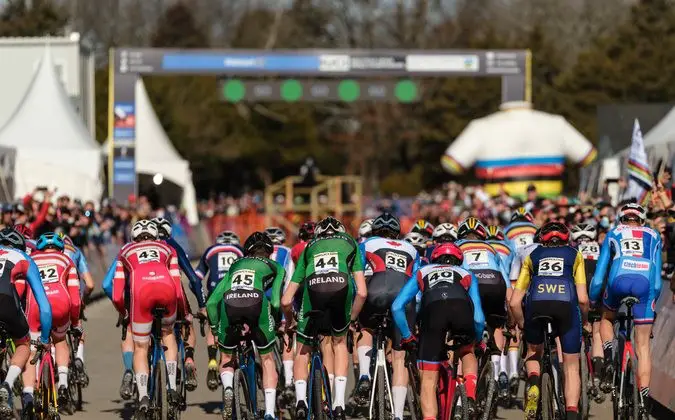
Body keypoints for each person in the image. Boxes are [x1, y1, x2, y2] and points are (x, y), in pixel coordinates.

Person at [281, 216, 367, 420]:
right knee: (339, 344)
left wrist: (291, 322)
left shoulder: (309, 247)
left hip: (314, 293)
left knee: (303, 349)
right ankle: (338, 404)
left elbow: (285, 300)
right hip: (341, 291)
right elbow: (362, 293)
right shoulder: (350, 243)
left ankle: (301, 401)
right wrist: (352, 320)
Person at [391, 243, 484, 419]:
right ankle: (470, 394)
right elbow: (478, 318)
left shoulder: (423, 271)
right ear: (459, 261)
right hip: (460, 308)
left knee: (427, 380)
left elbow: (397, 307)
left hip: (432, 310)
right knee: (466, 351)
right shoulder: (467, 274)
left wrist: (407, 336)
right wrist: (477, 341)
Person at [509, 221, 589, 420]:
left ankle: (534, 383)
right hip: (566, 306)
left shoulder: (532, 256)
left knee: (533, 353)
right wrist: (585, 320)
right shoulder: (575, 255)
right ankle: (571, 412)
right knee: (571, 366)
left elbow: (514, 302)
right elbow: (583, 299)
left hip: (536, 306)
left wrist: (521, 324)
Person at [107, 220, 188, 416]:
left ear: (134, 237)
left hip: (141, 294)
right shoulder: (167, 249)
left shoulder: (125, 251)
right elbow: (178, 286)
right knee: (168, 334)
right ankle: (171, 388)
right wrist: (183, 312)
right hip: (167, 291)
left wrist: (123, 312)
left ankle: (143, 395)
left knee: (141, 347)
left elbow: (117, 293)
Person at [589, 203, 662, 408]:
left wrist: (594, 301)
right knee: (643, 345)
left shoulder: (614, 233)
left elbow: (598, 277)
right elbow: (657, 282)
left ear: (621, 219)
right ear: (642, 220)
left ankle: (610, 355)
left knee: (607, 318)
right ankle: (644, 399)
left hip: (618, 280)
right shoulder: (655, 235)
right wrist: (652, 304)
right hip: (645, 284)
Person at [206, 232, 285, 420]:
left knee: (226, 356)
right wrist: (274, 323)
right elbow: (274, 302)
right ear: (269, 252)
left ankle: (227, 387)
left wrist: (216, 330)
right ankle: (269, 413)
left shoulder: (235, 266)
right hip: (257, 304)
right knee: (267, 360)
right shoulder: (275, 266)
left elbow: (211, 303)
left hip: (229, 304)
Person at [355, 212, 420, 420]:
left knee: (365, 327)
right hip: (404, 298)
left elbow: (355, 273)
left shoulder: (367, 243)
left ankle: (364, 374)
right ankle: (398, 414)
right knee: (400, 355)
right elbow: (418, 282)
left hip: (376, 292)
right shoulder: (412, 249)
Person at [455, 217, 512, 398]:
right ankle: (496, 368)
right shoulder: (491, 248)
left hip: (470, 283)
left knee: (463, 331)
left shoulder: (457, 246)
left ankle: (460, 378)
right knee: (495, 323)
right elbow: (507, 284)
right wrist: (510, 319)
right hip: (494, 283)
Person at [24, 232, 81, 413]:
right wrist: (76, 322)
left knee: (32, 348)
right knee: (60, 341)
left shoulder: (29, 259)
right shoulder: (67, 260)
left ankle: (31, 391)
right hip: (60, 304)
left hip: (36, 306)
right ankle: (63, 383)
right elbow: (76, 300)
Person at [0, 227, 52, 418]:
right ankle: (7, 383)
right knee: (23, 343)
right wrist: (45, 338)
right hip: (5, 301)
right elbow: (44, 306)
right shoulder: (23, 256)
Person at [153, 217, 205, 392]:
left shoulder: (141, 245)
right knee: (187, 324)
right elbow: (194, 279)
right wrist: (202, 306)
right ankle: (189, 359)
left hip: (144, 292)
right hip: (173, 292)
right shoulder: (172, 244)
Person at [195, 230, 244, 391]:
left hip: (214, 294)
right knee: (241, 323)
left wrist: (202, 304)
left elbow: (195, 279)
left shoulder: (210, 250)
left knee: (213, 326)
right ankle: (241, 353)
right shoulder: (240, 250)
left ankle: (212, 360)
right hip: (237, 293)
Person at [264, 226, 297, 398]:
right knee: (286, 333)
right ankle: (290, 380)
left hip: (261, 297)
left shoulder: (260, 252)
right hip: (281, 293)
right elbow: (290, 278)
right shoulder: (288, 251)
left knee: (263, 335)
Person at [571, 222, 604, 388]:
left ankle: (575, 369)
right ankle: (597, 374)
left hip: (579, 288)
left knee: (575, 328)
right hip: (598, 289)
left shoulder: (572, 250)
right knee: (597, 331)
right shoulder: (600, 247)